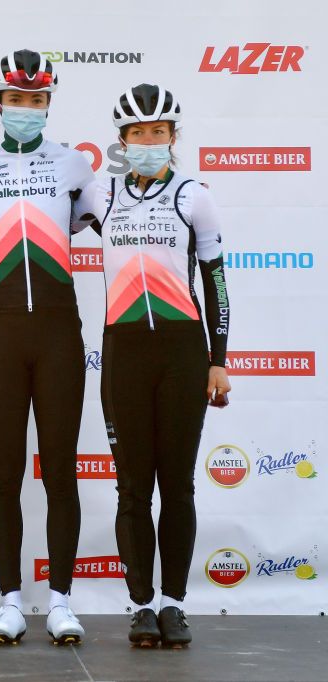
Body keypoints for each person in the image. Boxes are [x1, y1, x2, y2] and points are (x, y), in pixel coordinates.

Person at [77, 83, 232, 648]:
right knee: (132, 489)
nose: (148, 141)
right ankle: (140, 605)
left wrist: (219, 361)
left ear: (173, 137)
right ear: (122, 141)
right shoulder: (102, 194)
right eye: (137, 133)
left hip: (182, 351)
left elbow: (215, 282)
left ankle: (173, 605)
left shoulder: (195, 195)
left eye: (158, 132)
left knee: (180, 487)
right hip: (123, 351)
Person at [0, 50, 95, 645]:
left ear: (49, 104)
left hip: (60, 329)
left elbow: (111, 231)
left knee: (61, 470)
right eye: (16, 99)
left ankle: (62, 600)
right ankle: (11, 601)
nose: (26, 109)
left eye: (37, 100)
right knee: (4, 472)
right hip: (1, 326)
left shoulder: (75, 167)